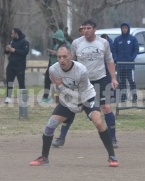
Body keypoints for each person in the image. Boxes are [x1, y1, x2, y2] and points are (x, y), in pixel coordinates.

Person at [29, 46, 118, 167]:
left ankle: (112, 156)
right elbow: (58, 91)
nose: (61, 60)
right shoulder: (53, 70)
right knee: (50, 125)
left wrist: (62, 88)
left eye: (64, 57)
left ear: (71, 56)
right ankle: (44, 158)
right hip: (67, 99)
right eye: (59, 57)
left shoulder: (81, 70)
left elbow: (81, 96)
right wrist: (63, 95)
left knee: (98, 122)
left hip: (87, 97)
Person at [52, 19, 119, 148]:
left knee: (106, 108)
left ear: (95, 29)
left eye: (89, 28)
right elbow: (71, 62)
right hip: (80, 81)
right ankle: (61, 138)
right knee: (69, 107)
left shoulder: (103, 43)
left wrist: (113, 78)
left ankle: (113, 138)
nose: (86, 31)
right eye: (84, 28)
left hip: (100, 79)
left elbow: (109, 60)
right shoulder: (76, 43)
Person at [40, 29, 71, 103]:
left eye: (57, 39)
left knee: (58, 83)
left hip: (60, 66)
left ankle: (55, 97)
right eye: (55, 39)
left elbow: (68, 54)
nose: (56, 40)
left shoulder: (67, 45)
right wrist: (50, 52)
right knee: (47, 80)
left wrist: (56, 53)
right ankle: (45, 97)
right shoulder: (55, 44)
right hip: (51, 65)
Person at [112, 22, 139, 103]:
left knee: (131, 81)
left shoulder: (133, 39)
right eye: (123, 28)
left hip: (130, 65)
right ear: (121, 29)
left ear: (128, 29)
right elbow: (114, 50)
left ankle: (134, 97)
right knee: (122, 82)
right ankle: (124, 97)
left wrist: (131, 58)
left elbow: (136, 49)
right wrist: (116, 59)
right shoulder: (117, 39)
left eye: (126, 28)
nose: (124, 29)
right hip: (120, 65)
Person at [4, 28, 29, 104]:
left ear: (16, 34)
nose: (11, 35)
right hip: (11, 65)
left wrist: (15, 50)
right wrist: (7, 49)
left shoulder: (24, 42)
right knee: (9, 81)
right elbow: (6, 52)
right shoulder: (12, 42)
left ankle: (23, 98)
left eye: (12, 34)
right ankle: (8, 97)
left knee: (21, 82)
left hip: (20, 65)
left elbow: (25, 52)